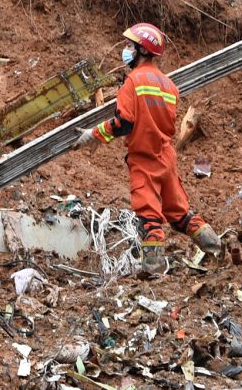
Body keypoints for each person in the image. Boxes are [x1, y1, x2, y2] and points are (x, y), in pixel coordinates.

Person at [74, 23, 222, 274]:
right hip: (165, 156)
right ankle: (215, 246)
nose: (125, 50)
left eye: (130, 46)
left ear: (142, 50)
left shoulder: (133, 82)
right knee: (180, 214)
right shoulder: (169, 85)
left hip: (144, 158)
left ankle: (152, 267)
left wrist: (94, 135)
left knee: (149, 216)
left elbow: (124, 122)